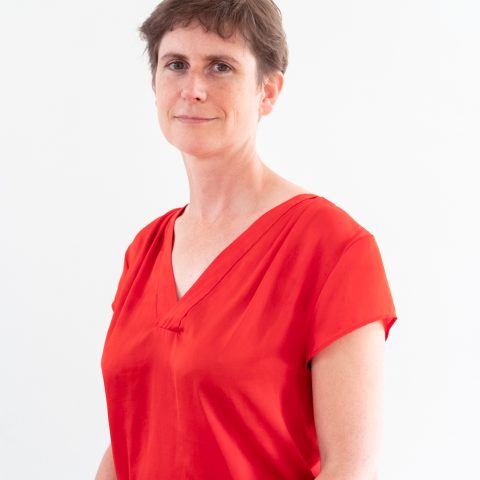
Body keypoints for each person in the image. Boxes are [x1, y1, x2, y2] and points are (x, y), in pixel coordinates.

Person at [96, 1, 398, 479]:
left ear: (268, 91)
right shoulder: (145, 250)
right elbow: (130, 436)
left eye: (220, 66)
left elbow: (350, 470)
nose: (193, 89)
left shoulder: (334, 249)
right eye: (176, 64)